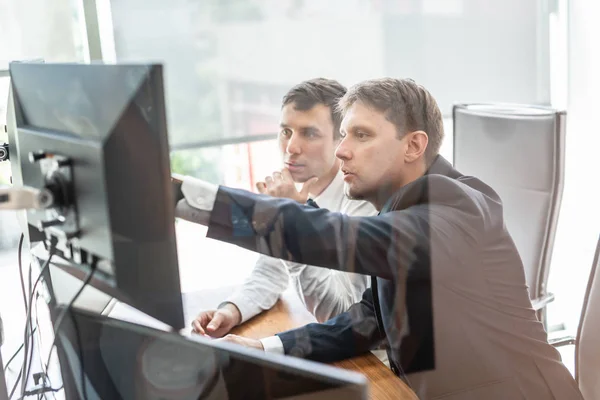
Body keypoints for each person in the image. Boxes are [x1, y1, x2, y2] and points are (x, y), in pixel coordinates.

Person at [174, 78, 582, 399]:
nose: (341, 152)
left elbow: (339, 236)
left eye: (362, 136)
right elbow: (368, 322)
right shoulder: (401, 211)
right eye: (344, 136)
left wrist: (183, 199)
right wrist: (265, 350)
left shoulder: (454, 206)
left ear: (413, 146)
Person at [191, 78, 376, 339]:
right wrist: (231, 310)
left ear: (340, 141)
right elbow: (271, 270)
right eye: (285, 131)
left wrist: (291, 223)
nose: (291, 147)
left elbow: (340, 314)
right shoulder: (300, 192)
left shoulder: (363, 204)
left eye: (309, 133)